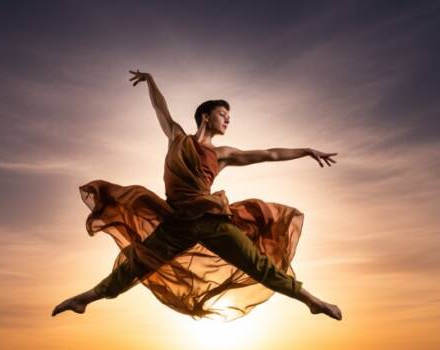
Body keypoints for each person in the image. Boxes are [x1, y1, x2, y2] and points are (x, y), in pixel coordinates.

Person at [52, 69, 342, 321]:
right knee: (136, 266)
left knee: (259, 265)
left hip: (211, 221)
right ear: (206, 116)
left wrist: (306, 151)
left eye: (229, 117)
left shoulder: (223, 154)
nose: (227, 120)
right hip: (176, 222)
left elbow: (269, 154)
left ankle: (312, 302)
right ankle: (83, 300)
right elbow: (160, 109)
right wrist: (151, 81)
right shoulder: (177, 138)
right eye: (223, 114)